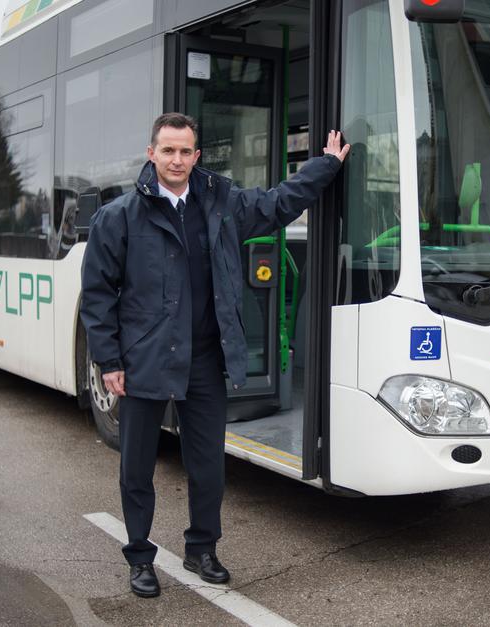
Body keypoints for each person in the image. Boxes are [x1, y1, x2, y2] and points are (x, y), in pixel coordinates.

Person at [81, 112, 349, 598]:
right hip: (144, 361)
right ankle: (139, 557)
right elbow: (98, 294)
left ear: (197, 156)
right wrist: (110, 360)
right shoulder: (119, 217)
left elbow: (277, 203)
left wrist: (325, 165)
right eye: (168, 150)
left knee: (208, 466)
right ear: (151, 154)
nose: (176, 159)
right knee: (137, 468)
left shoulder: (222, 203)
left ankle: (202, 549)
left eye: (185, 151)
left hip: (206, 360)